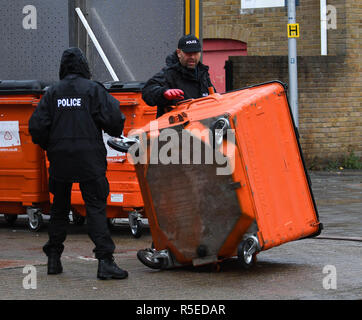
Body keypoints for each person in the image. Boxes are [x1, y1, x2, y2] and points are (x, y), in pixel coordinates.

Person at [29, 47, 128, 280]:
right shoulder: (94, 90)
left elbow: (36, 127)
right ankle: (105, 262)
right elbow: (114, 120)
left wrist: (51, 145)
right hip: (89, 159)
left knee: (59, 209)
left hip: (60, 159)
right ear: (84, 66)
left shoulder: (52, 93)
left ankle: (53, 258)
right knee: (95, 208)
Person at [142, 34, 215, 118]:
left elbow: (215, 98)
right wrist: (163, 93)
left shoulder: (203, 74)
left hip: (201, 125)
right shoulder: (168, 74)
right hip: (174, 129)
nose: (192, 57)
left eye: (195, 53)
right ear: (179, 53)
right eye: (188, 53)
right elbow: (147, 92)